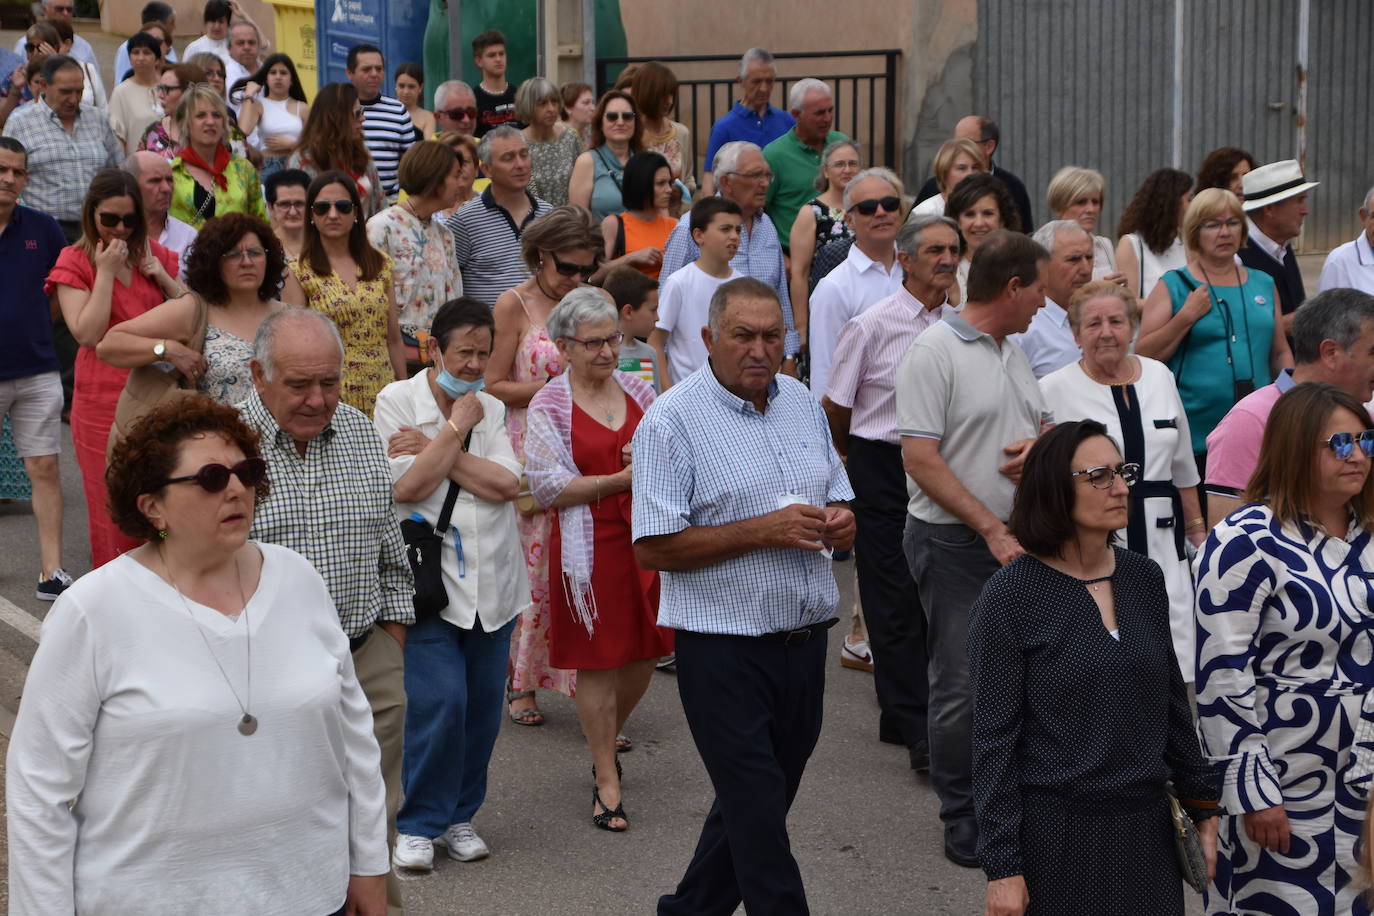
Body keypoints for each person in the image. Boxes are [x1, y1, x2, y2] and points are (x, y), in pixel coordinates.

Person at [6, 396, 389, 915]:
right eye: (210, 478)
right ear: (152, 506)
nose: (236, 489)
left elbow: (355, 738)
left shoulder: (299, 579)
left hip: (308, 893)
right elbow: (38, 790)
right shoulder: (93, 612)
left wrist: (368, 865)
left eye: (246, 471)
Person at [633, 276, 855, 913]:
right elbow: (653, 547)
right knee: (759, 820)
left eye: (772, 336)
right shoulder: (672, 422)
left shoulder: (802, 403)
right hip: (722, 649)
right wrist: (764, 531)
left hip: (804, 642)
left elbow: (840, 498)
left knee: (752, 808)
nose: (759, 349)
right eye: (743, 336)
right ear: (708, 339)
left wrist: (841, 520)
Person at [970, 420, 1219, 916]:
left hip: (1148, 833)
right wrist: (1002, 867)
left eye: (1121, 472)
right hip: (1058, 839)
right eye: (1100, 476)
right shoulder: (1010, 597)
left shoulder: (1142, 577)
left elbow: (1171, 700)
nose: (1122, 487)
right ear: (1054, 490)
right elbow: (992, 740)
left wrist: (1203, 806)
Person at [241, 307, 412, 916]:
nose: (319, 400)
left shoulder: (362, 434)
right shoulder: (225, 448)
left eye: (331, 382)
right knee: (281, 820)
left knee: (373, 816)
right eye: (299, 384)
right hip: (263, 676)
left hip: (365, 661)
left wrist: (390, 643)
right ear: (258, 375)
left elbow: (392, 550)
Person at [896, 229, 1051, 867]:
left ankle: (1009, 801)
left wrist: (1042, 445)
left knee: (1024, 680)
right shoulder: (933, 352)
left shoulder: (1012, 348)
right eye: (1040, 290)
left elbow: (1035, 426)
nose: (1047, 303)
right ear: (1013, 287)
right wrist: (991, 527)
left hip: (1018, 543)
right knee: (961, 682)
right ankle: (961, 813)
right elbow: (919, 459)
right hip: (956, 541)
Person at [1195, 381, 1374, 916]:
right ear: (1295, 448)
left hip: (1365, 778)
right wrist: (1254, 790)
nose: (1359, 455)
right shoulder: (1246, 540)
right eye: (1340, 444)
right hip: (1284, 778)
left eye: (1367, 440)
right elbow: (1222, 673)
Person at [373, 297, 526, 871]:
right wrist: (458, 433)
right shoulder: (396, 400)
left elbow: (508, 483)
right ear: (432, 348)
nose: (473, 366)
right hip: (429, 581)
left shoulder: (488, 404)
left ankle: (461, 815)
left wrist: (443, 445)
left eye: (483, 354)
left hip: (496, 580)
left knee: (483, 709)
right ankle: (417, 822)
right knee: (441, 701)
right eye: (463, 353)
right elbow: (407, 487)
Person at [525, 288, 669, 831]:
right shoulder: (549, 403)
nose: (610, 351)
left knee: (647, 652)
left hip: (645, 540)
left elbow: (674, 454)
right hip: (589, 545)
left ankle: (601, 740)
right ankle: (606, 776)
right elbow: (546, 486)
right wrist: (618, 479)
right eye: (595, 342)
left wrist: (651, 460)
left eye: (614, 338)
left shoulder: (639, 391)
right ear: (564, 347)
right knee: (599, 658)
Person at [823, 214, 960, 769]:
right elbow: (835, 406)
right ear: (904, 258)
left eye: (953, 249)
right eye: (935, 250)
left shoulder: (958, 326)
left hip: (941, 464)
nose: (947, 259)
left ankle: (896, 714)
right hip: (881, 463)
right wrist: (851, 466)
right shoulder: (872, 324)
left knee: (936, 593)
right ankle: (919, 731)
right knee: (893, 596)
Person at [1038, 282, 1205, 682]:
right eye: (1093, 324)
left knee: (1177, 667)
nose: (1107, 332)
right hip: (1095, 548)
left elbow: (1183, 467)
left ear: (1133, 327)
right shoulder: (1051, 391)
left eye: (1116, 321)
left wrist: (1198, 530)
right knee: (1107, 665)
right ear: (1076, 335)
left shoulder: (1161, 376)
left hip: (1165, 546)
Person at [484, 206, 600, 727]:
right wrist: (557, 389)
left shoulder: (593, 303)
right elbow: (491, 384)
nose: (577, 278)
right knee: (536, 570)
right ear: (539, 256)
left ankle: (587, 680)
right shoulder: (513, 305)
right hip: (529, 445)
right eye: (567, 268)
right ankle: (522, 681)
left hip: (584, 444)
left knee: (585, 563)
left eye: (586, 268)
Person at [47, 167, 183, 568]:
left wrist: (164, 278)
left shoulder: (155, 255)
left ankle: (165, 588)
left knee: (161, 502)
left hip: (158, 398)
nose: (121, 229)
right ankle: (117, 603)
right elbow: (87, 333)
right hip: (102, 404)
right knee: (114, 508)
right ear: (91, 214)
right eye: (110, 219)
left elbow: (192, 313)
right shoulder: (75, 259)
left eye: (130, 219)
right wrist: (104, 273)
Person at [1137, 188, 1293, 473]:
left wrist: (1293, 398)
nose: (1225, 232)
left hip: (1258, 428)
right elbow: (1143, 355)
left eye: (1233, 223)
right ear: (1195, 232)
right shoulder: (1173, 284)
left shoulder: (1263, 283)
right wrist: (1185, 317)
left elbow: (1280, 350)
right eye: (1213, 224)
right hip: (1195, 435)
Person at [1204, 288, 1374, 526]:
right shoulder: (1251, 420)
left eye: (1364, 443)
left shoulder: (1364, 417)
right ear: (1331, 352)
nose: (1357, 454)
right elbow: (1226, 535)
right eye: (1373, 352)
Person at [97, 212, 286, 407]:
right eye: (233, 254)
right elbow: (109, 345)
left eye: (255, 253)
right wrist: (168, 349)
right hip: (216, 433)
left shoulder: (289, 316)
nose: (247, 262)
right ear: (213, 263)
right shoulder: (194, 310)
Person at [0, 136, 72, 599]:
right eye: (2, 170)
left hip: (37, 369)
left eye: (17, 172)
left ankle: (52, 571)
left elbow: (64, 291)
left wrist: (32, 326)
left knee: (44, 466)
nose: (9, 179)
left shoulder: (44, 229)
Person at [660, 141, 800, 366]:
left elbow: (780, 296)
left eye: (767, 175)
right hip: (702, 366)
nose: (764, 183)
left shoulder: (767, 226)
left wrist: (789, 356)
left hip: (763, 364)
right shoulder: (690, 227)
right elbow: (663, 303)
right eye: (755, 175)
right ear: (726, 181)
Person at [281, 170, 403, 416]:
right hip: (329, 394)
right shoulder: (298, 270)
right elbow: (293, 343)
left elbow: (393, 338)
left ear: (357, 212)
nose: (333, 214)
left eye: (343, 206)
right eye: (322, 207)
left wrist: (403, 390)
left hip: (384, 392)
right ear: (312, 215)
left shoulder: (381, 264)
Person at [806, 168, 903, 396]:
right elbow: (824, 374)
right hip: (862, 426)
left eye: (889, 204)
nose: (881, 212)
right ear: (849, 220)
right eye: (868, 208)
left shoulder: (918, 272)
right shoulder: (834, 288)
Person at [367, 140, 465, 367]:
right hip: (397, 357)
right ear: (435, 177)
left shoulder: (445, 234)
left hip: (438, 358)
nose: (461, 184)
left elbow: (455, 299)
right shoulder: (382, 227)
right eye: (455, 175)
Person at [2, 55, 120, 238]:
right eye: (65, 91)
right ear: (43, 86)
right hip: (42, 231)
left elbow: (116, 169)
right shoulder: (20, 123)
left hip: (94, 230)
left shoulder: (98, 118)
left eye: (79, 91)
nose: (74, 99)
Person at [447, 125, 551, 306]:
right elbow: (450, 283)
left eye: (524, 155)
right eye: (508, 158)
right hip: (487, 329)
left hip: (542, 329)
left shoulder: (549, 216)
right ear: (487, 169)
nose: (520, 164)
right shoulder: (465, 221)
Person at [649, 196, 742, 389]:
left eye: (738, 230)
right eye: (725, 229)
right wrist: (667, 392)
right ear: (699, 235)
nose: (734, 236)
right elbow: (655, 342)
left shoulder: (743, 284)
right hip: (685, 395)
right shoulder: (679, 282)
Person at [787, 139, 861, 343]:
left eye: (853, 164)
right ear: (825, 171)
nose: (847, 170)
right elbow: (799, 273)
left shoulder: (868, 209)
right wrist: (801, 327)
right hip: (827, 308)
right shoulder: (811, 212)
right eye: (839, 164)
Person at [168, 84, 267, 229]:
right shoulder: (171, 173)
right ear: (186, 124)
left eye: (217, 115)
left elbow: (261, 224)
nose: (210, 121)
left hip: (236, 251)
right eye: (201, 115)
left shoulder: (244, 169)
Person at [913, 115, 1034, 233]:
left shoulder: (1012, 186)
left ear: (989, 147)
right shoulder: (930, 197)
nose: (979, 223)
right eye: (961, 168)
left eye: (988, 213)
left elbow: (1023, 238)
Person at [762, 79, 846, 246]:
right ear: (795, 114)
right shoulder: (774, 155)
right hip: (794, 256)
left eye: (830, 110)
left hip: (842, 254)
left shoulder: (842, 145)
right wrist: (778, 253)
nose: (828, 118)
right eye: (819, 113)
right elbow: (758, 212)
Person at [701, 48, 794, 197]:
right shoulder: (724, 128)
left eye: (769, 81)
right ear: (741, 81)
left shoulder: (787, 121)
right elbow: (709, 181)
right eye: (756, 81)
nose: (764, 88)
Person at [1009, 219, 1095, 378]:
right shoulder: (1025, 329)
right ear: (1042, 265)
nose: (1086, 269)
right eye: (1074, 259)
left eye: (1089, 257)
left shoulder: (1100, 315)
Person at [1240, 159, 1318, 332]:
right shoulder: (1235, 257)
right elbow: (1236, 331)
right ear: (1269, 210)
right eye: (1299, 201)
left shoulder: (1282, 244)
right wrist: (1296, 321)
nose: (1306, 211)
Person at [287, 82, 386, 218]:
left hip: (364, 237)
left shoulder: (361, 152)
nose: (363, 118)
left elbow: (380, 204)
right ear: (335, 118)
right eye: (357, 114)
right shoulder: (303, 161)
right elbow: (298, 215)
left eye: (362, 111)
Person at [593, 150, 676, 281]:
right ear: (641, 183)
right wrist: (631, 258)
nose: (669, 189)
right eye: (661, 183)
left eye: (669, 182)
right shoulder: (614, 224)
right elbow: (594, 277)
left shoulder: (675, 226)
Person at [346, 44, 414, 200]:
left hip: (390, 205)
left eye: (379, 69)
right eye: (366, 69)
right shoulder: (336, 110)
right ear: (349, 73)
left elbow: (410, 163)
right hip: (346, 204)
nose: (374, 74)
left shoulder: (398, 111)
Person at [1114, 167, 1193, 299]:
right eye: (1189, 199)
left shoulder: (1184, 244)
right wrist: (1174, 308)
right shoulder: (1131, 244)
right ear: (1172, 203)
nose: (1194, 205)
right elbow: (1128, 302)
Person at [569, 90, 643, 223]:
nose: (620, 122)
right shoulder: (587, 162)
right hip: (601, 242)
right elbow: (578, 221)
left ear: (635, 122)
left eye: (627, 116)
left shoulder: (645, 161)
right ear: (600, 123)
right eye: (612, 116)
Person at [945, 171, 1020, 303]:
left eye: (988, 213)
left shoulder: (1022, 269)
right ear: (957, 221)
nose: (979, 223)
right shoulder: (946, 271)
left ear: (1002, 219)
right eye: (969, 214)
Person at [232, 52, 309, 179]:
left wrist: (292, 145)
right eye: (273, 72)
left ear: (292, 80)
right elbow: (242, 131)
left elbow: (315, 143)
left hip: (296, 166)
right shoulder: (258, 105)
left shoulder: (303, 108)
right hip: (267, 166)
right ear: (266, 78)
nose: (278, 77)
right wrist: (248, 95)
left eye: (283, 73)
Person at [1045, 165, 1122, 282]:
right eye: (1081, 202)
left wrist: (1121, 288)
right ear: (1059, 207)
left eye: (1095, 202)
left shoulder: (1104, 245)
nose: (1090, 209)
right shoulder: (1044, 246)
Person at [631, 61, 694, 199]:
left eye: (672, 94)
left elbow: (689, 179)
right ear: (647, 93)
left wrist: (683, 190)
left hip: (675, 218)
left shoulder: (682, 133)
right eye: (663, 95)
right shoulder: (632, 134)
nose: (670, 101)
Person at [122, 150, 198, 262]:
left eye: (169, 180)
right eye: (155, 181)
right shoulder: (115, 232)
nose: (166, 188)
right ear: (130, 184)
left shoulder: (189, 238)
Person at [519, 76, 580, 207]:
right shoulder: (517, 143)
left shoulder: (570, 136)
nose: (551, 109)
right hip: (532, 223)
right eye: (542, 103)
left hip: (569, 221)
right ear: (527, 105)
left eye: (555, 101)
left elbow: (584, 180)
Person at [604, 265, 663, 391]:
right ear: (628, 312)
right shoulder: (604, 355)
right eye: (653, 310)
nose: (657, 318)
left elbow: (656, 401)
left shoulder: (650, 353)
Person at [107, 31, 162, 156]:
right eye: (136, 52)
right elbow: (117, 137)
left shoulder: (169, 88)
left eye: (147, 53)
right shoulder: (121, 92)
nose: (141, 58)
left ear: (157, 59)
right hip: (137, 167)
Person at [135, 61, 204, 158]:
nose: (160, 95)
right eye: (160, 88)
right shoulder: (153, 131)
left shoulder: (211, 130)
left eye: (167, 89)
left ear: (189, 91)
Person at [0, 22, 58, 130]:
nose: (35, 52)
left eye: (41, 47)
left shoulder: (65, 74)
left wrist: (56, 64)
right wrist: (15, 90)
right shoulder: (14, 77)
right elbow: (3, 122)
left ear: (54, 48)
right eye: (30, 47)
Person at [910, 137, 986, 218]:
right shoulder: (926, 212)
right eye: (961, 168)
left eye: (975, 167)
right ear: (945, 172)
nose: (970, 174)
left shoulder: (992, 206)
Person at [10, 0, 97, 67]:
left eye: (69, 9)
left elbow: (95, 86)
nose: (65, 13)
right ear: (44, 10)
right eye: (59, 9)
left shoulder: (84, 47)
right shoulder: (26, 44)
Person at [110, 1, 178, 87]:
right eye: (171, 22)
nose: (174, 26)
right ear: (157, 23)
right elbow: (120, 82)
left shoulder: (167, 45)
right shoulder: (127, 47)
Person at [52, 20, 106, 113]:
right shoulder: (39, 74)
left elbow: (104, 108)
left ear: (68, 44)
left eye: (53, 46)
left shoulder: (87, 69)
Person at [471, 30, 515, 137]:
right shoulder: (472, 100)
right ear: (479, 61)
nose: (498, 59)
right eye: (492, 55)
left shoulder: (520, 95)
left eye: (501, 54)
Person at [433, 130, 479, 219]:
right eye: (451, 163)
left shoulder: (492, 205)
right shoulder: (428, 212)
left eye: (464, 162)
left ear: (476, 168)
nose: (459, 169)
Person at [265, 166, 308, 260]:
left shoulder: (325, 244)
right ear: (271, 208)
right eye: (284, 204)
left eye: (299, 204)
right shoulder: (264, 247)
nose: (293, 212)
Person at [223, 21, 262, 110]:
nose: (247, 47)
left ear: (259, 46)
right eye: (240, 43)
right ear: (229, 49)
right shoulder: (224, 77)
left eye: (251, 42)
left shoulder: (271, 72)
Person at [182, 0, 233, 65]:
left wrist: (242, 15)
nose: (217, 26)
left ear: (228, 23)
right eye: (213, 21)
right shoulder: (194, 48)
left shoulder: (234, 47)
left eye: (221, 21)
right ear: (206, 22)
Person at [394, 61, 435, 141]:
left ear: (420, 87)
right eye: (401, 86)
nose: (406, 92)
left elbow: (429, 148)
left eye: (411, 87)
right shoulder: (387, 111)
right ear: (396, 85)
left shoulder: (428, 117)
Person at [560, 81, 595, 150]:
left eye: (592, 102)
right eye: (586, 103)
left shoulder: (588, 136)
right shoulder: (558, 135)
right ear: (568, 108)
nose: (593, 108)